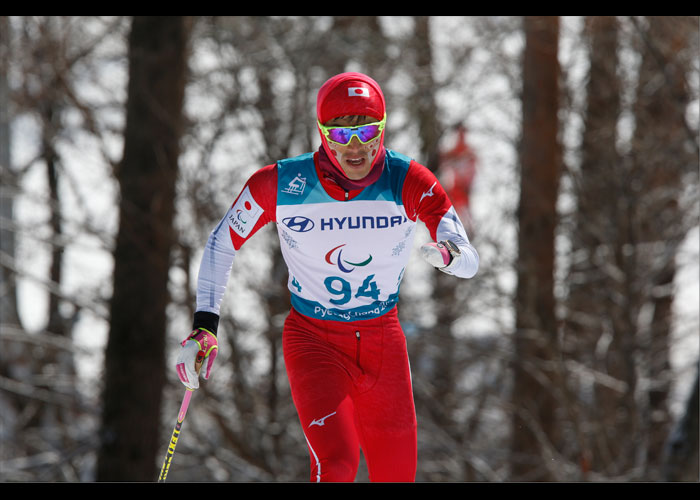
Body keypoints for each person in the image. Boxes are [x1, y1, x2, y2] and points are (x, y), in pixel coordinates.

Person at [175, 72, 479, 482]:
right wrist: (204, 327)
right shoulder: (281, 183)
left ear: (383, 128)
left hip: (381, 340)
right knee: (336, 465)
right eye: (340, 134)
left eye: (367, 131)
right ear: (322, 132)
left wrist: (449, 255)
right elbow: (221, 243)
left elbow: (468, 259)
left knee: (397, 475)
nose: (355, 147)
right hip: (313, 337)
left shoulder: (408, 180)